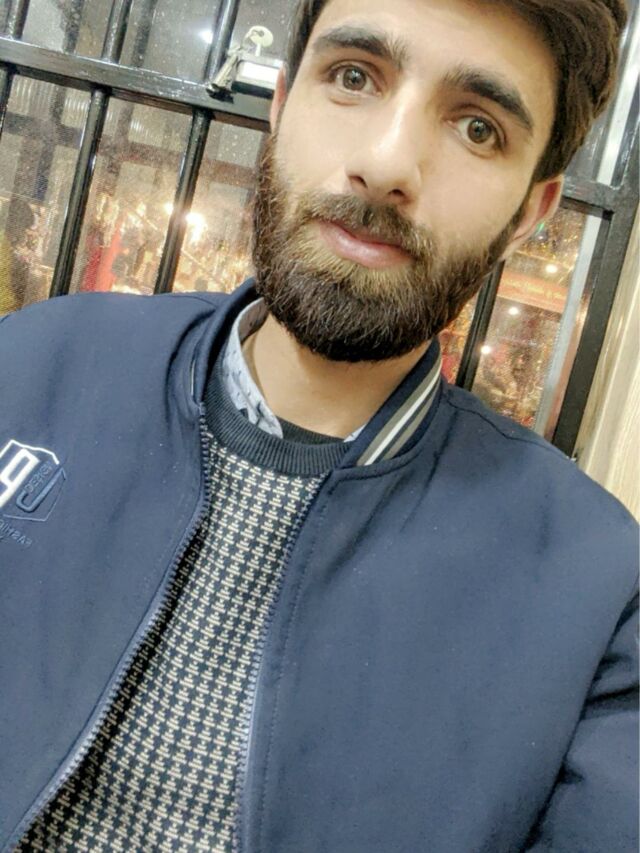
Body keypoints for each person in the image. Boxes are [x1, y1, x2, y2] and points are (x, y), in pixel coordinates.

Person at [0, 0, 637, 850]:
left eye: (478, 127)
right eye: (353, 77)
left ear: (530, 211)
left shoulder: (597, 595)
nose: (386, 163)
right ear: (281, 102)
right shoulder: (31, 366)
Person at [0, 198, 35, 316]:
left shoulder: (5, 245)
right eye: (24, 228)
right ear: (16, 225)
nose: (24, 234)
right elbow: (6, 299)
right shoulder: (3, 248)